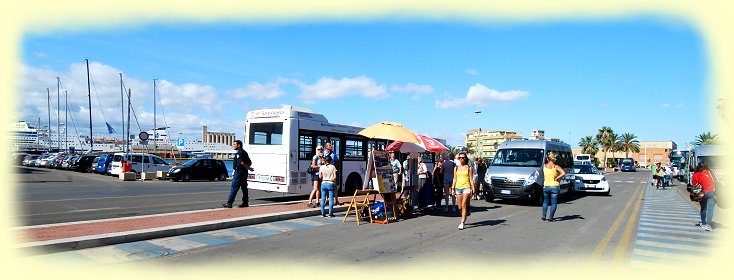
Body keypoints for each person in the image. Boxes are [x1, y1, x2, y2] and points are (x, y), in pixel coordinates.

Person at [223, 140, 254, 208]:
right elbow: (249, 162)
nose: (233, 146)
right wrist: (248, 168)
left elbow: (241, 162)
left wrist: (249, 168)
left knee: (234, 187)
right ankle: (245, 202)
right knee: (244, 188)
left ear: (238, 145)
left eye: (234, 144)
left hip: (239, 172)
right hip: (244, 172)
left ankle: (229, 203)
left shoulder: (239, 153)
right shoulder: (244, 152)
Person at [452, 152, 475, 230]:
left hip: (466, 187)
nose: (461, 159)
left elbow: (471, 179)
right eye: (459, 158)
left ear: (465, 159)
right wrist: (452, 188)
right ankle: (464, 215)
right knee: (459, 207)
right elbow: (454, 178)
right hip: (458, 188)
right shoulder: (456, 168)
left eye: (463, 158)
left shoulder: (469, 168)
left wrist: (473, 189)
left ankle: (462, 222)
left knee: (464, 204)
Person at [692, 161, 717, 231]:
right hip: (712, 192)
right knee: (710, 209)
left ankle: (703, 223)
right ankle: (708, 225)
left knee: (703, 208)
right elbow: (716, 181)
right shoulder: (712, 173)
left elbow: (695, 186)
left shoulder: (696, 175)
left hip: (702, 193)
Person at [541, 152, 566, 222]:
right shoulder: (556, 166)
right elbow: (563, 173)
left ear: (547, 158)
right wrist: (557, 178)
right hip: (555, 186)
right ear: (554, 159)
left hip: (546, 185)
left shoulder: (544, 166)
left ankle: (544, 216)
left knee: (545, 201)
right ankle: (550, 218)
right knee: (554, 203)